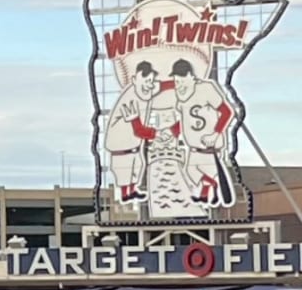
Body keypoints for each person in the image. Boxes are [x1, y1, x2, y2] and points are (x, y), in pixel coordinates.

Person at [167, 58, 236, 207]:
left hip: (209, 148)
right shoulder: (182, 96)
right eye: (176, 81)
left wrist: (216, 134)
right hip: (193, 148)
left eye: (181, 80)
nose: (178, 85)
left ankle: (212, 189)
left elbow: (227, 112)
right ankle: (209, 191)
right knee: (191, 172)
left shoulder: (206, 88)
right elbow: (186, 120)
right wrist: (172, 132)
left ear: (190, 76)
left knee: (208, 171)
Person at [101, 60, 162, 205]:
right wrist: (160, 133)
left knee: (137, 168)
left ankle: (132, 191)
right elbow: (139, 130)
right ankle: (125, 193)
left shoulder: (145, 91)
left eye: (151, 81)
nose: (149, 84)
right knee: (125, 173)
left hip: (135, 148)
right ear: (135, 80)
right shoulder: (129, 99)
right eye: (146, 80)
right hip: (121, 150)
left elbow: (163, 86)